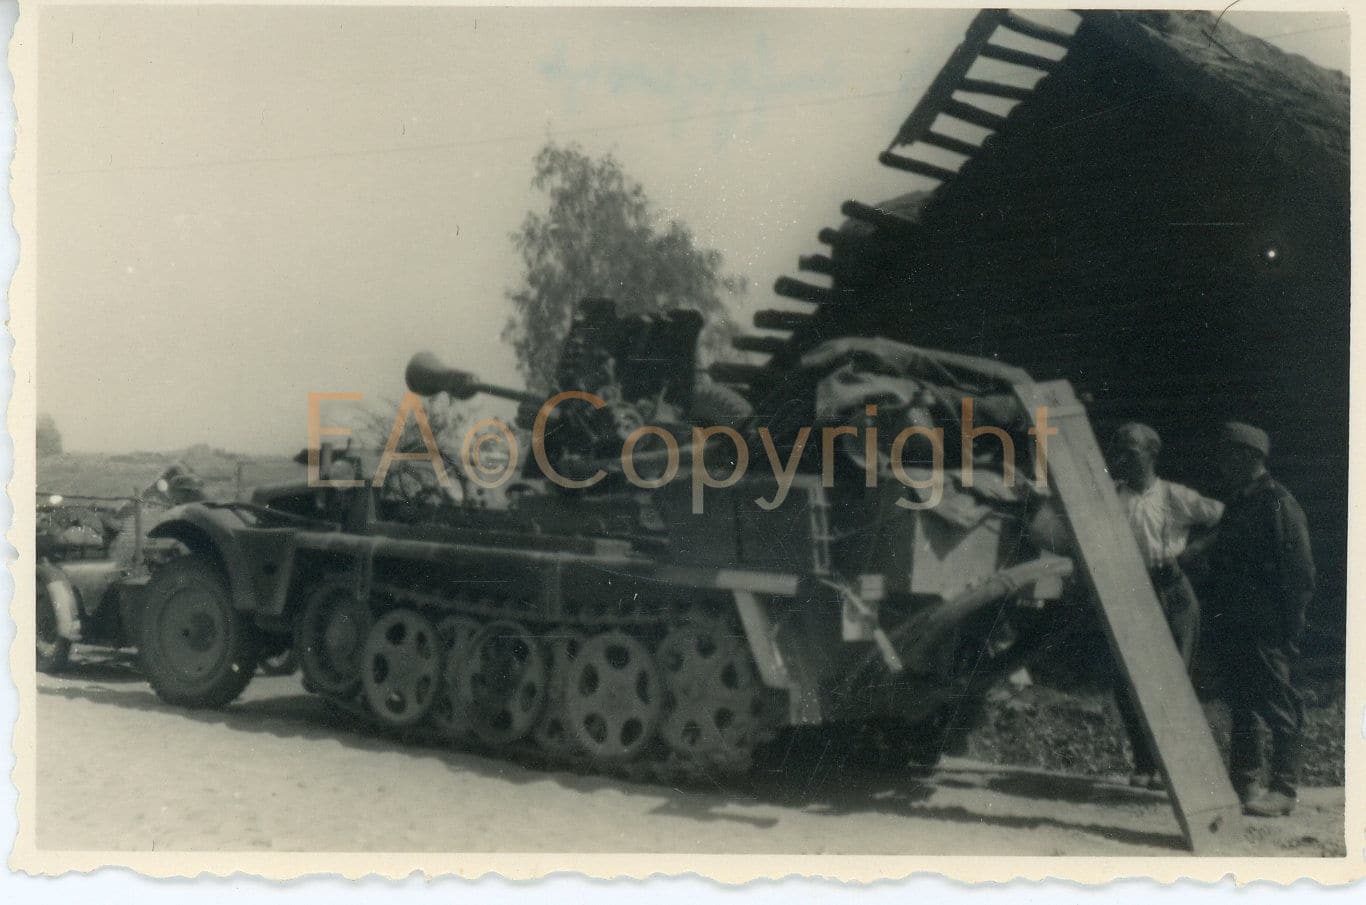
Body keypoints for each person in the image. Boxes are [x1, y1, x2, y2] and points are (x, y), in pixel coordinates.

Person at [1108, 422, 1223, 790]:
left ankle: (1172, 769)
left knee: (1173, 682)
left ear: (1152, 454)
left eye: (1131, 452)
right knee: (1129, 680)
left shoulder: (1173, 495)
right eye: (1118, 452)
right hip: (1129, 592)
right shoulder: (1110, 496)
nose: (1123, 459)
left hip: (1172, 592)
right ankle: (1145, 763)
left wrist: (1193, 552)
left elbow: (1223, 517)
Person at [1207, 422, 1314, 817]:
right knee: (1242, 703)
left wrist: (1290, 624)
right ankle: (1244, 783)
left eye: (1228, 454)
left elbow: (1299, 572)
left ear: (1251, 457)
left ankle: (1284, 789)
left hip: (1267, 624)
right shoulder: (1239, 502)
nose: (1221, 463)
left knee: (1279, 703)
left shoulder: (1278, 502)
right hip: (1236, 620)